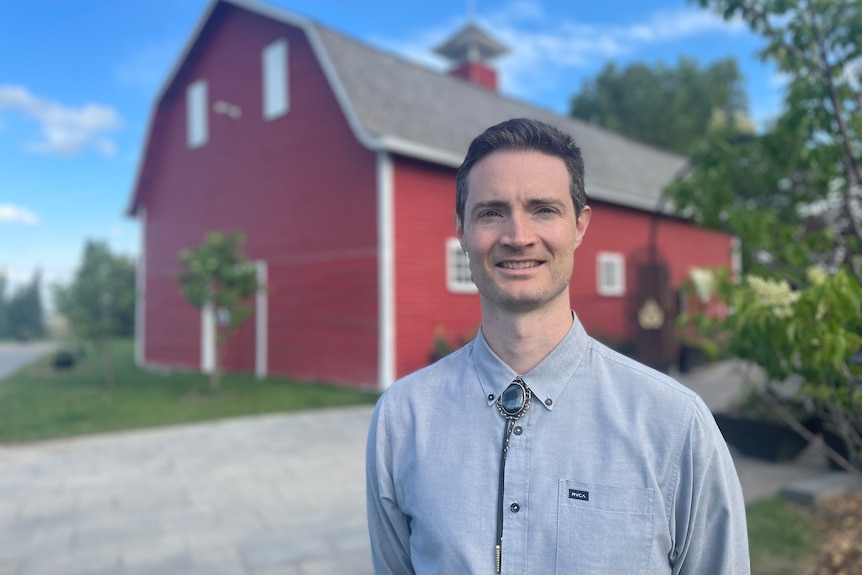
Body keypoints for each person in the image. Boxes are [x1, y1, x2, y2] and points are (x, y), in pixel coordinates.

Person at [366, 118, 750, 574]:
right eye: (491, 212)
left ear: (579, 226)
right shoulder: (403, 419)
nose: (518, 236)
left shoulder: (674, 424)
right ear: (462, 231)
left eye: (543, 210)